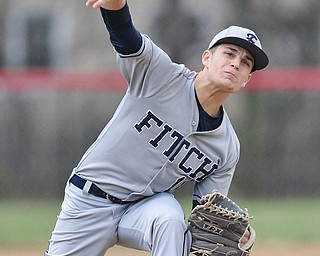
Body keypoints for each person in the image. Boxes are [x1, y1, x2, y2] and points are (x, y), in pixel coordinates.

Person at [45, 0, 269, 255]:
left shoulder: (226, 147)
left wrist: (240, 236)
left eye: (246, 62)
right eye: (229, 53)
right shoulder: (161, 76)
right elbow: (126, 38)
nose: (236, 63)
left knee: (170, 219)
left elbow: (207, 214)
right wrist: (116, 5)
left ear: (246, 80)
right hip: (90, 200)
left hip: (145, 209)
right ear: (206, 57)